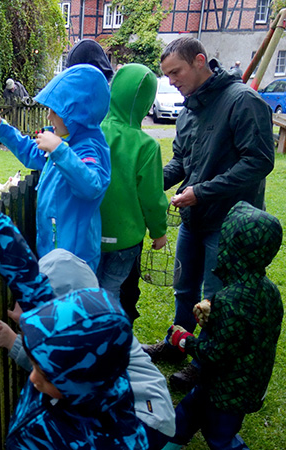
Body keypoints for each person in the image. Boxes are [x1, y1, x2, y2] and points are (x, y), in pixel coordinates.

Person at [0, 161, 147, 450]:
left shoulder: (107, 441)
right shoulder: (80, 353)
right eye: (36, 364)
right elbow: (26, 274)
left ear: (78, 384)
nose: (33, 377)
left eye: (45, 373)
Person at [142, 37, 275, 390]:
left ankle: (205, 362)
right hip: (193, 219)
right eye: (166, 75)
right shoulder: (188, 111)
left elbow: (259, 161)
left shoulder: (243, 101)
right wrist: (147, 183)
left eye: (175, 72)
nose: (171, 81)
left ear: (200, 61)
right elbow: (181, 163)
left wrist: (201, 192)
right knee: (184, 290)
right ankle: (176, 345)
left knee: (214, 300)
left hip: (229, 226)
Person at [0, 248, 175, 450]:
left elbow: (53, 369)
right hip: (151, 407)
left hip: (145, 419)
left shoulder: (86, 339)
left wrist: (14, 339)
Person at [162, 201, 283, 450]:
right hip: (244, 381)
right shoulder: (269, 291)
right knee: (187, 413)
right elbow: (249, 330)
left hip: (227, 390)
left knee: (220, 436)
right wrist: (214, 312)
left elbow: (216, 353)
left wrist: (183, 339)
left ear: (232, 247)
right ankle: (168, 441)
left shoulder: (231, 300)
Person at [0, 64, 111, 270]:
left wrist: (59, 150)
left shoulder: (88, 149)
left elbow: (91, 186)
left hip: (74, 261)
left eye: (54, 111)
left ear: (75, 114)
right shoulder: (63, 142)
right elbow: (32, 152)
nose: (48, 117)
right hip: (53, 253)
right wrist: (0, 127)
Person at [97, 63, 169, 318]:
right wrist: (159, 232)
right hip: (126, 239)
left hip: (90, 231)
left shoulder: (91, 131)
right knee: (112, 291)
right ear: (147, 103)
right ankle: (113, 343)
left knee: (89, 290)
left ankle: (86, 343)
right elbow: (152, 198)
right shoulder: (146, 146)